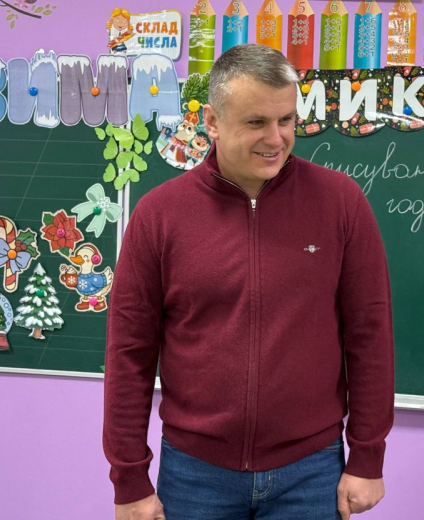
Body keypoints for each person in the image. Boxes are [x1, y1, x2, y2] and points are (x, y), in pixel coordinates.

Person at [103, 43, 394, 520]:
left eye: (287, 120)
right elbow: (129, 352)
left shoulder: (341, 202)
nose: (275, 138)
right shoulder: (159, 215)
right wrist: (129, 477)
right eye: (256, 122)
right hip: (194, 473)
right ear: (212, 122)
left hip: (311, 471)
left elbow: (370, 335)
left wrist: (367, 456)